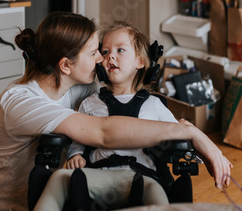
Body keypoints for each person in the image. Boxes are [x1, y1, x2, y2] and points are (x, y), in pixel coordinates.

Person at [0, 11, 232, 211]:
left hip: (23, 202)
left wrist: (186, 131)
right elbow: (104, 132)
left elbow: (124, 105)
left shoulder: (81, 88)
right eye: (96, 53)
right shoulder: (20, 101)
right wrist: (190, 130)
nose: (103, 61)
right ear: (65, 65)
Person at [34, 20, 188, 210]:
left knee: (158, 194)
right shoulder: (90, 103)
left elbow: (175, 132)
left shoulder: (154, 105)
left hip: (140, 178)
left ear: (140, 61)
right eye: (105, 52)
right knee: (59, 178)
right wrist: (76, 153)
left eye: (120, 50)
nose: (110, 57)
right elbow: (78, 138)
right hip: (98, 175)